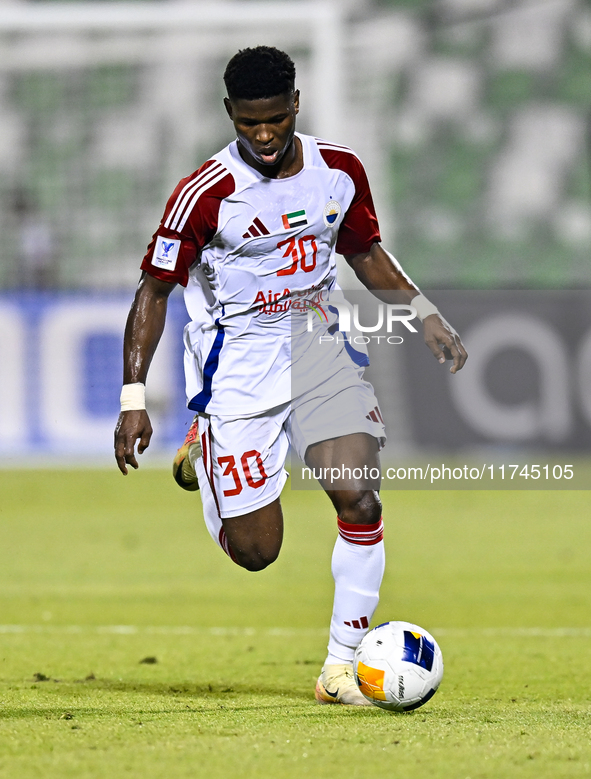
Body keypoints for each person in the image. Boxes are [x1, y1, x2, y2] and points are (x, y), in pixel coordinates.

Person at [114, 46, 467, 705]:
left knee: (358, 497)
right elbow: (154, 290)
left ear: (295, 104)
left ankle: (339, 668)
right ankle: (209, 449)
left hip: (319, 348)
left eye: (275, 118)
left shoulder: (339, 170)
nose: (265, 134)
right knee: (256, 551)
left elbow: (362, 250)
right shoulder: (204, 194)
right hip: (238, 370)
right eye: (249, 124)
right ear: (230, 116)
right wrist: (134, 398)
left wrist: (423, 312)